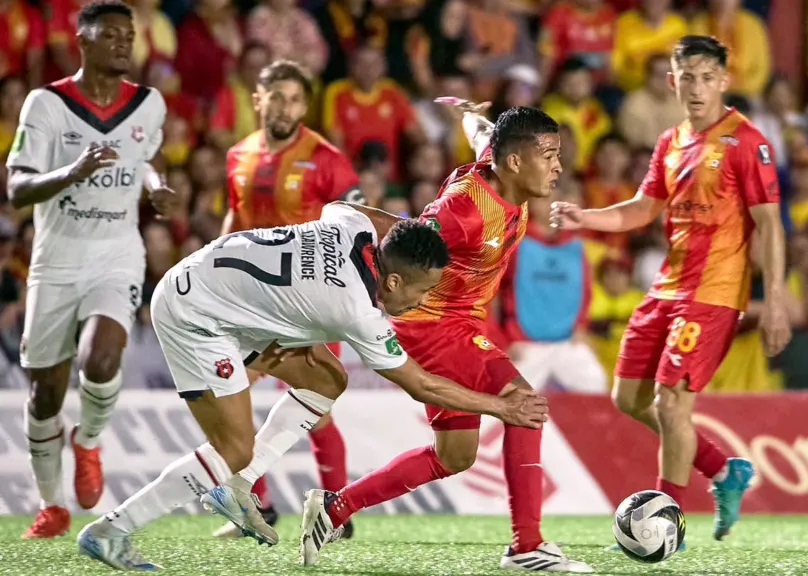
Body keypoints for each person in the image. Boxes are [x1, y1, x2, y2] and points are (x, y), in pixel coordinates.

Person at [77, 203, 549, 570]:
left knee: (328, 378)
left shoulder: (355, 229)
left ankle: (236, 485)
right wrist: (501, 408)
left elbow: (347, 206)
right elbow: (422, 385)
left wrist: (412, 230)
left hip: (218, 284)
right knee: (232, 448)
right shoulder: (358, 312)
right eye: (422, 290)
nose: (424, 301)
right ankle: (112, 529)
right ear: (394, 278)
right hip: (196, 316)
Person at [298, 105, 593, 573]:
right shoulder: (464, 210)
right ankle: (527, 546)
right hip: (434, 325)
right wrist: (346, 230)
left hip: (461, 322)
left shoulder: (502, 169)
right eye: (550, 155)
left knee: (454, 456)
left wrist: (472, 117)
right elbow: (404, 238)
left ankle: (335, 508)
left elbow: (483, 135)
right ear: (515, 162)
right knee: (524, 404)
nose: (560, 165)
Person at [549, 35, 791, 544]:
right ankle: (724, 471)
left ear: (724, 81)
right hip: (667, 287)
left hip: (715, 292)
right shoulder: (671, 141)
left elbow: (769, 224)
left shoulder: (747, 142)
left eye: (708, 77)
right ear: (671, 81)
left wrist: (776, 305)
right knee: (627, 397)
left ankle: (667, 523)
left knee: (671, 403)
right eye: (688, 77)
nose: (698, 87)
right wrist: (583, 215)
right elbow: (640, 209)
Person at [5, 0, 177, 539]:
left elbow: (144, 158)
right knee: (45, 395)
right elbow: (15, 190)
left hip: (116, 253)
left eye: (130, 35)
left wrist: (154, 187)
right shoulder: (46, 103)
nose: (125, 43)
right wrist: (72, 170)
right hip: (56, 259)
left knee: (100, 359)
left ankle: (89, 440)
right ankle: (51, 504)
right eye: (111, 35)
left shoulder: (149, 104)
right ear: (83, 42)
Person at [208, 58, 362, 541]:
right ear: (258, 99)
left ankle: (338, 512)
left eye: (295, 99)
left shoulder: (328, 159)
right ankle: (260, 507)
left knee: (314, 409)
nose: (286, 107)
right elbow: (235, 220)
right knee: (231, 401)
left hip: (311, 302)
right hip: (250, 303)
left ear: (305, 104)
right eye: (277, 97)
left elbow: (354, 231)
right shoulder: (238, 155)